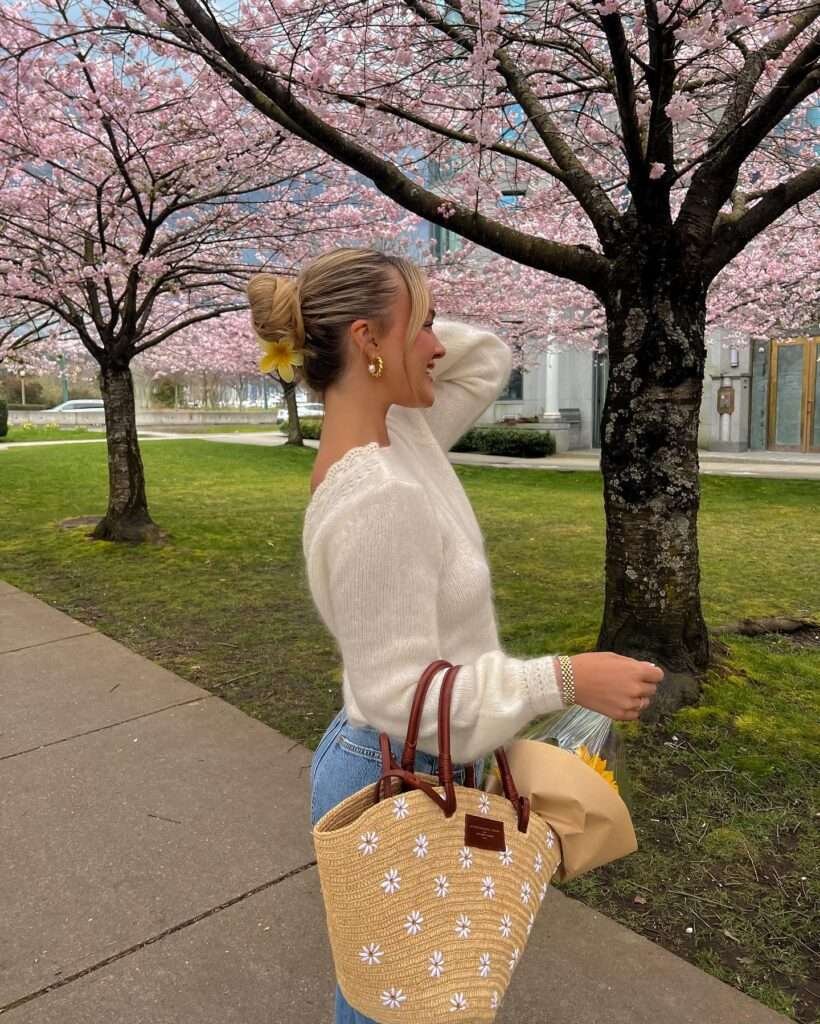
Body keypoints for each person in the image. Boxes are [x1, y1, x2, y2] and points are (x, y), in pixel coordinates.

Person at [248, 248, 662, 1024]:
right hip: (396, 766)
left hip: (417, 757)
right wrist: (567, 680)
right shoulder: (381, 495)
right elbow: (399, 693)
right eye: (426, 326)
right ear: (369, 343)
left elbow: (488, 360)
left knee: (407, 997)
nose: (441, 344)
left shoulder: (402, 432)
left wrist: (399, 308)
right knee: (402, 1007)